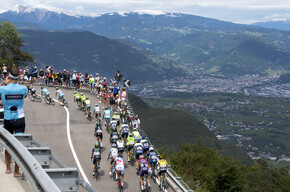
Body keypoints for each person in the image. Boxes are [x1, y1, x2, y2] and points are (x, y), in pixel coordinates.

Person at [0, 66, 27, 177]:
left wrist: (5, 84)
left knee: (8, 145)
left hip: (8, 119)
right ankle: (16, 171)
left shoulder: (3, 89)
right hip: (20, 119)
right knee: (19, 145)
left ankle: (7, 169)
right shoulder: (23, 88)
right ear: (19, 76)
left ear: (9, 76)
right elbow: (24, 96)